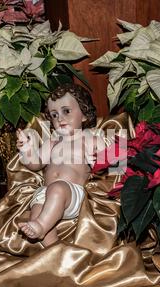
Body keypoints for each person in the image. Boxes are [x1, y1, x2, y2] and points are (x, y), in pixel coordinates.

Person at [16, 83, 106, 247]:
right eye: (54, 115)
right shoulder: (53, 141)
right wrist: (27, 150)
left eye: (66, 111)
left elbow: (111, 164)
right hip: (46, 192)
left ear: (84, 114)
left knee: (56, 190)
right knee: (37, 212)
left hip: (71, 194)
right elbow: (36, 164)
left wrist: (99, 161)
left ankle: (41, 226)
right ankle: (55, 253)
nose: (60, 118)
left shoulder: (90, 138)